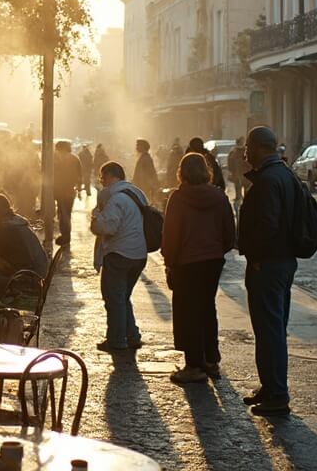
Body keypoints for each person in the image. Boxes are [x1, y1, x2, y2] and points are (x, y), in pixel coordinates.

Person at [237, 125, 298, 416]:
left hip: (269, 265)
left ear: (261, 147)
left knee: (270, 329)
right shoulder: (286, 174)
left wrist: (257, 256)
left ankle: (277, 394)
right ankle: (270, 386)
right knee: (272, 328)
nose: (245, 152)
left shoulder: (269, 180)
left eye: (248, 146)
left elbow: (268, 226)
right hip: (283, 262)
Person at [162, 153, 236, 384]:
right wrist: (217, 251)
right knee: (207, 308)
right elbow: (229, 232)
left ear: (181, 171)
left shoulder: (178, 198)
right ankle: (211, 360)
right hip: (212, 261)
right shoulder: (219, 196)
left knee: (187, 312)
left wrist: (170, 262)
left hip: (186, 262)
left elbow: (171, 234)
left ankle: (194, 365)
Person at [90, 161, 148, 353]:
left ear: (109, 176)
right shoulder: (137, 192)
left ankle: (116, 340)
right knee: (123, 296)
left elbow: (108, 227)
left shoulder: (116, 199)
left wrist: (95, 220)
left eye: (102, 178)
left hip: (119, 254)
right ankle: (132, 336)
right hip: (139, 254)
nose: (102, 182)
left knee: (114, 298)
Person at [52, 141, 82, 247]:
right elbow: (79, 176)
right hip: (70, 190)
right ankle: (65, 235)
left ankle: (65, 236)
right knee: (65, 214)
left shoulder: (58, 159)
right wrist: (79, 189)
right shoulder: (75, 158)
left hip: (61, 190)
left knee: (63, 214)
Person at [227, 136, 252, 210]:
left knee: (239, 195)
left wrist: (232, 172)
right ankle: (244, 207)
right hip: (245, 176)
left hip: (238, 176)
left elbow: (230, 165)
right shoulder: (246, 152)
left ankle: (239, 207)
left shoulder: (233, 152)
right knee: (246, 194)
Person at [132, 139, 160, 203]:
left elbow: (151, 174)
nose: (136, 147)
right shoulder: (143, 158)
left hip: (144, 188)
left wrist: (152, 186)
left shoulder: (146, 159)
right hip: (142, 187)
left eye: (138, 145)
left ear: (142, 147)